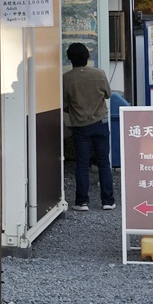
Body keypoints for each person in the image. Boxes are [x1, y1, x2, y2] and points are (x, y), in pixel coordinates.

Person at [63, 42, 115, 212]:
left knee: (82, 164)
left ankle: (82, 202)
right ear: (87, 56)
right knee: (104, 163)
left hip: (80, 126)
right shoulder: (99, 74)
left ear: (70, 58)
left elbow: (64, 104)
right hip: (100, 123)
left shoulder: (66, 78)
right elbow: (108, 94)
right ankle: (108, 201)